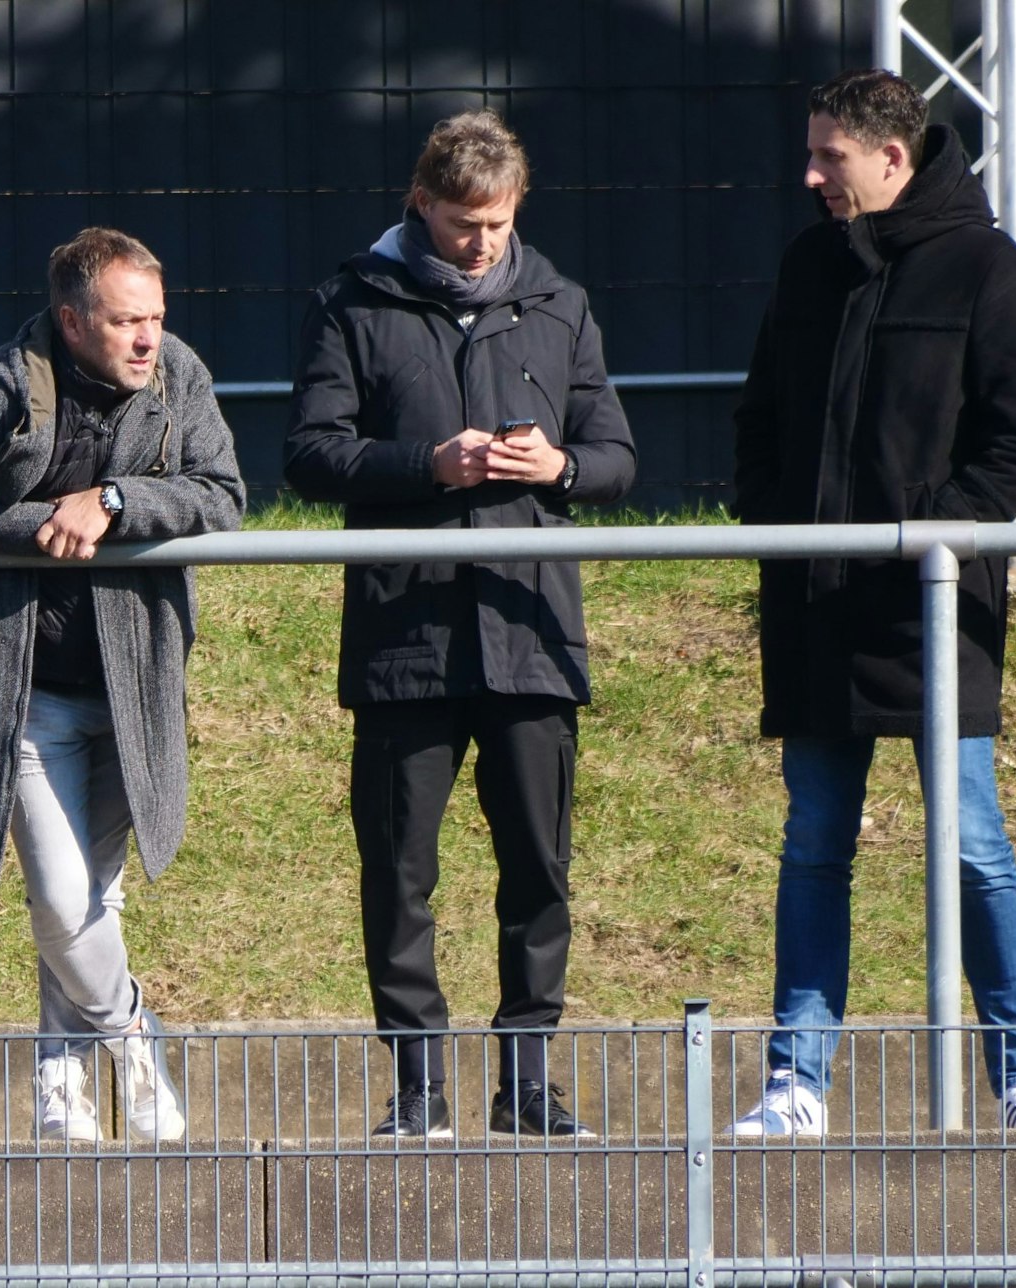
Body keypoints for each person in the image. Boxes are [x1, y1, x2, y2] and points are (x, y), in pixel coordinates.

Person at [730, 69, 1016, 1135]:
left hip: (930, 613)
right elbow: (761, 422)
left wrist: (929, 532)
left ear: (891, 156)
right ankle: (796, 1080)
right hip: (816, 611)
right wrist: (775, 522)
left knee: (970, 840)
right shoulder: (806, 263)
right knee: (812, 841)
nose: (808, 175)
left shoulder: (984, 266)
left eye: (827, 156)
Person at [284, 109, 636, 1139]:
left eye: (494, 224)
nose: (477, 244)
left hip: (530, 631)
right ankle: (417, 1091)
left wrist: (559, 468)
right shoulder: (353, 302)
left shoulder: (558, 304)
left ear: (517, 207)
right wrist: (426, 465)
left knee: (538, 870)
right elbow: (308, 452)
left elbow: (616, 456)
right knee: (398, 876)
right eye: (456, 224)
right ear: (418, 203)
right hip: (406, 638)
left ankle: (528, 1085)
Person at [0, 227, 247, 1144]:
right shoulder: (8, 390)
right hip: (26, 694)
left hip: (135, 688)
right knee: (59, 894)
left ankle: (59, 1085)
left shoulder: (181, 381)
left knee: (92, 899)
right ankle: (131, 1039)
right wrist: (39, 525)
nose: (146, 339)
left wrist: (116, 503)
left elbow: (223, 493)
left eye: (156, 318)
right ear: (72, 320)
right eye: (126, 321)